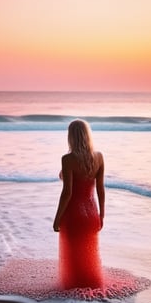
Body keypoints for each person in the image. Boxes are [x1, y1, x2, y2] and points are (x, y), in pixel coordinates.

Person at [53, 119, 105, 290]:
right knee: (88, 254)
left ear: (71, 137)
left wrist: (57, 218)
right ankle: (89, 289)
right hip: (91, 212)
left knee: (73, 254)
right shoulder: (98, 157)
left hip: (73, 213)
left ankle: (73, 291)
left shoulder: (67, 159)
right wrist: (101, 215)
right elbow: (100, 189)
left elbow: (67, 192)